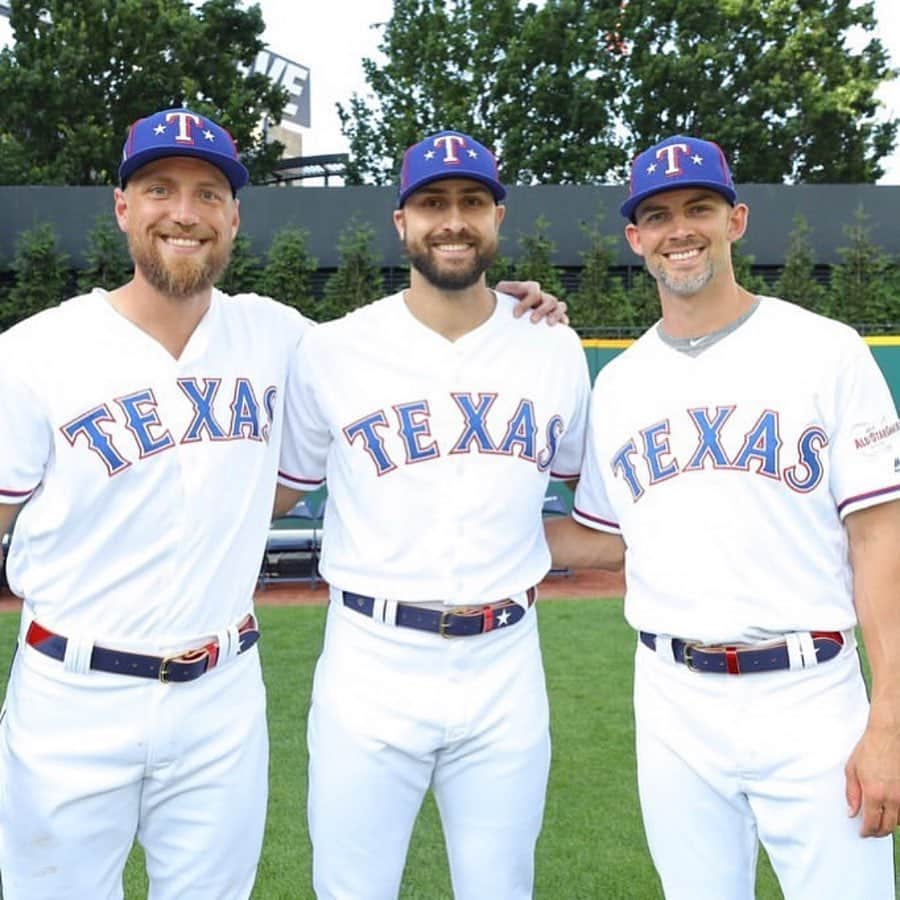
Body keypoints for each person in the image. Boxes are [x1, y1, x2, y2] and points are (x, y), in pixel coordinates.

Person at [0, 109, 562, 900]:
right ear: (122, 206)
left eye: (208, 192)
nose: (185, 213)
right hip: (72, 688)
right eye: (159, 188)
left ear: (233, 215)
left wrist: (510, 304)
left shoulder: (285, 338)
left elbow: (401, 339)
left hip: (220, 694)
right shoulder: (34, 353)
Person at [546, 134, 900, 898]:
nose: (681, 229)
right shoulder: (621, 383)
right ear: (635, 239)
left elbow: (880, 541)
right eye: (659, 214)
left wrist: (890, 721)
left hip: (810, 692)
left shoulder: (826, 351)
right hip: (674, 700)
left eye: (699, 208)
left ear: (735, 219)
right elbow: (603, 541)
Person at [275, 129, 592, 899]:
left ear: (497, 219)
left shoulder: (554, 347)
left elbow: (592, 510)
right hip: (369, 660)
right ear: (401, 222)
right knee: (352, 888)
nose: (453, 220)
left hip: (506, 661)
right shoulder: (332, 349)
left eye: (471, 202)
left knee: (501, 887)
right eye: (433, 203)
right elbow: (276, 489)